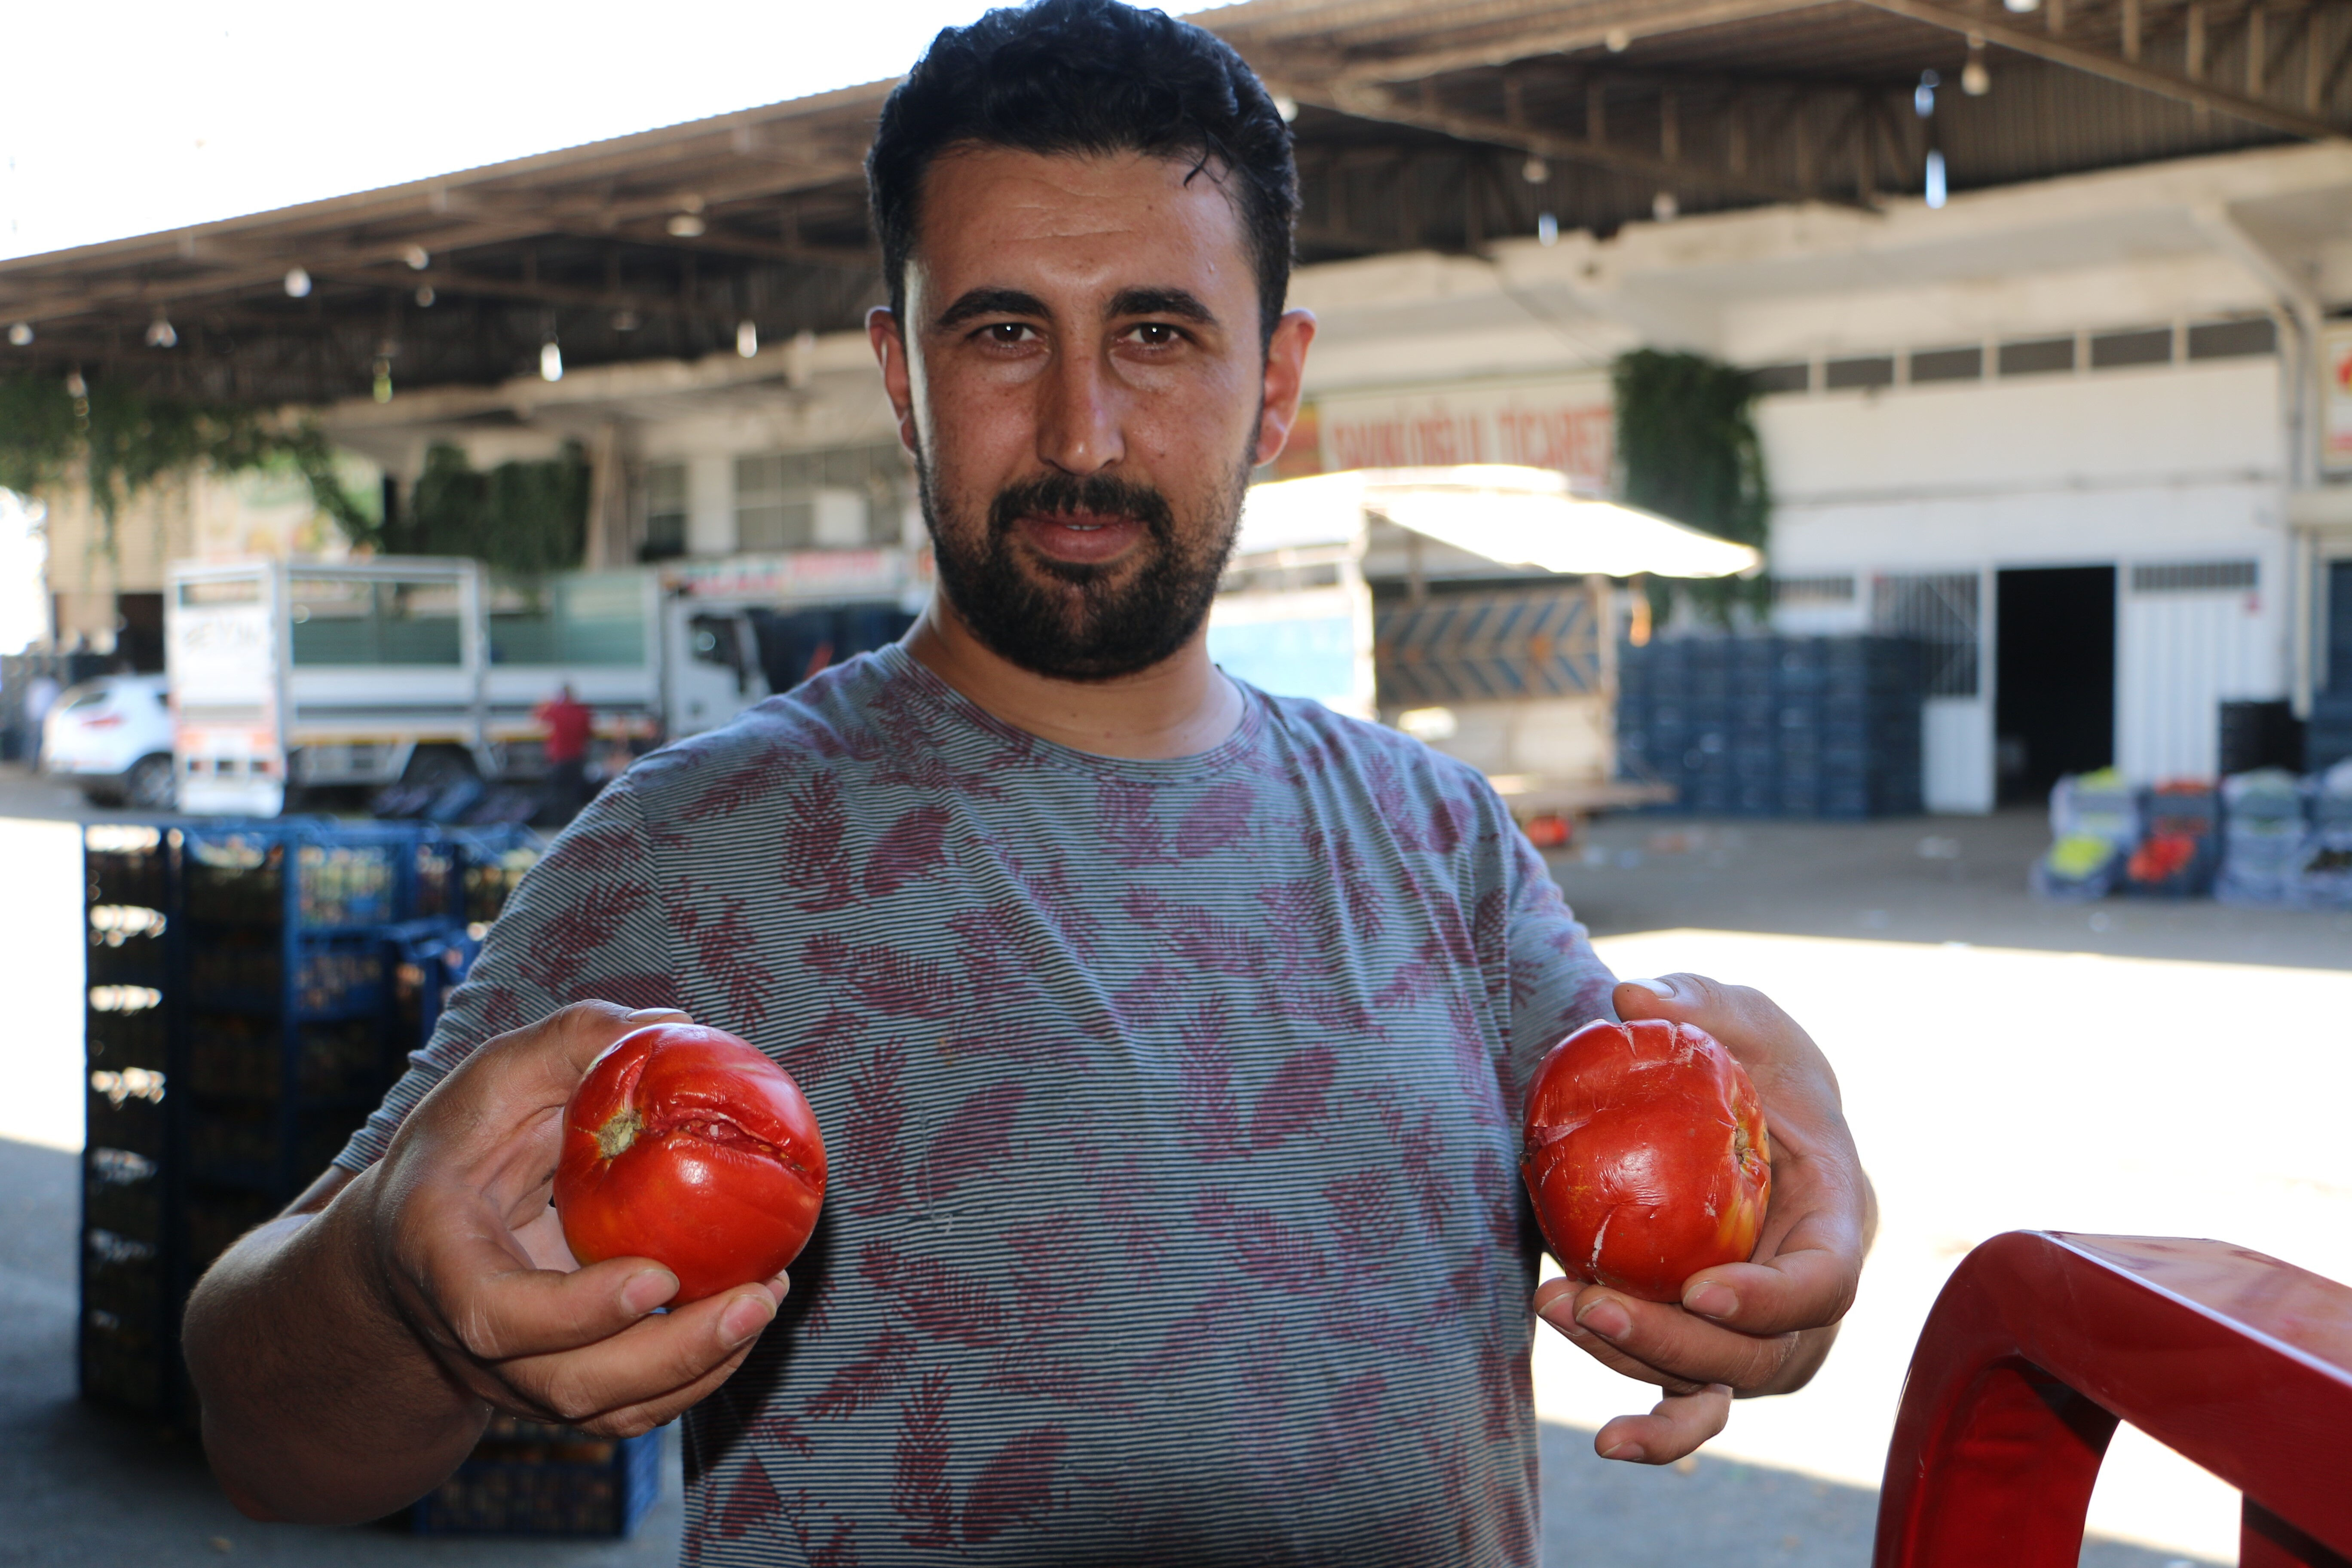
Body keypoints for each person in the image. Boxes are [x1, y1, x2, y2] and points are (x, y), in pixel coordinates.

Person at [183, 4, 1874, 1560]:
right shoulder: (701, 848)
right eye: (1003, 331)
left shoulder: (1441, 844)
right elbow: (263, 1430)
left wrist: (1775, 1211)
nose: (1080, 430)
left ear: (1272, 387)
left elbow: (1675, 1145)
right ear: (903, 376)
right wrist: (398, 1298)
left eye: (1156, 332)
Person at [532, 683, 594, 821]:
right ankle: (571, 820)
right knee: (574, 793)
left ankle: (557, 821)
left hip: (559, 758)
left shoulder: (556, 710)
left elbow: (538, 717)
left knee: (558, 792)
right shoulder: (582, 711)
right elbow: (589, 732)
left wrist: (545, 702)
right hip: (577, 757)